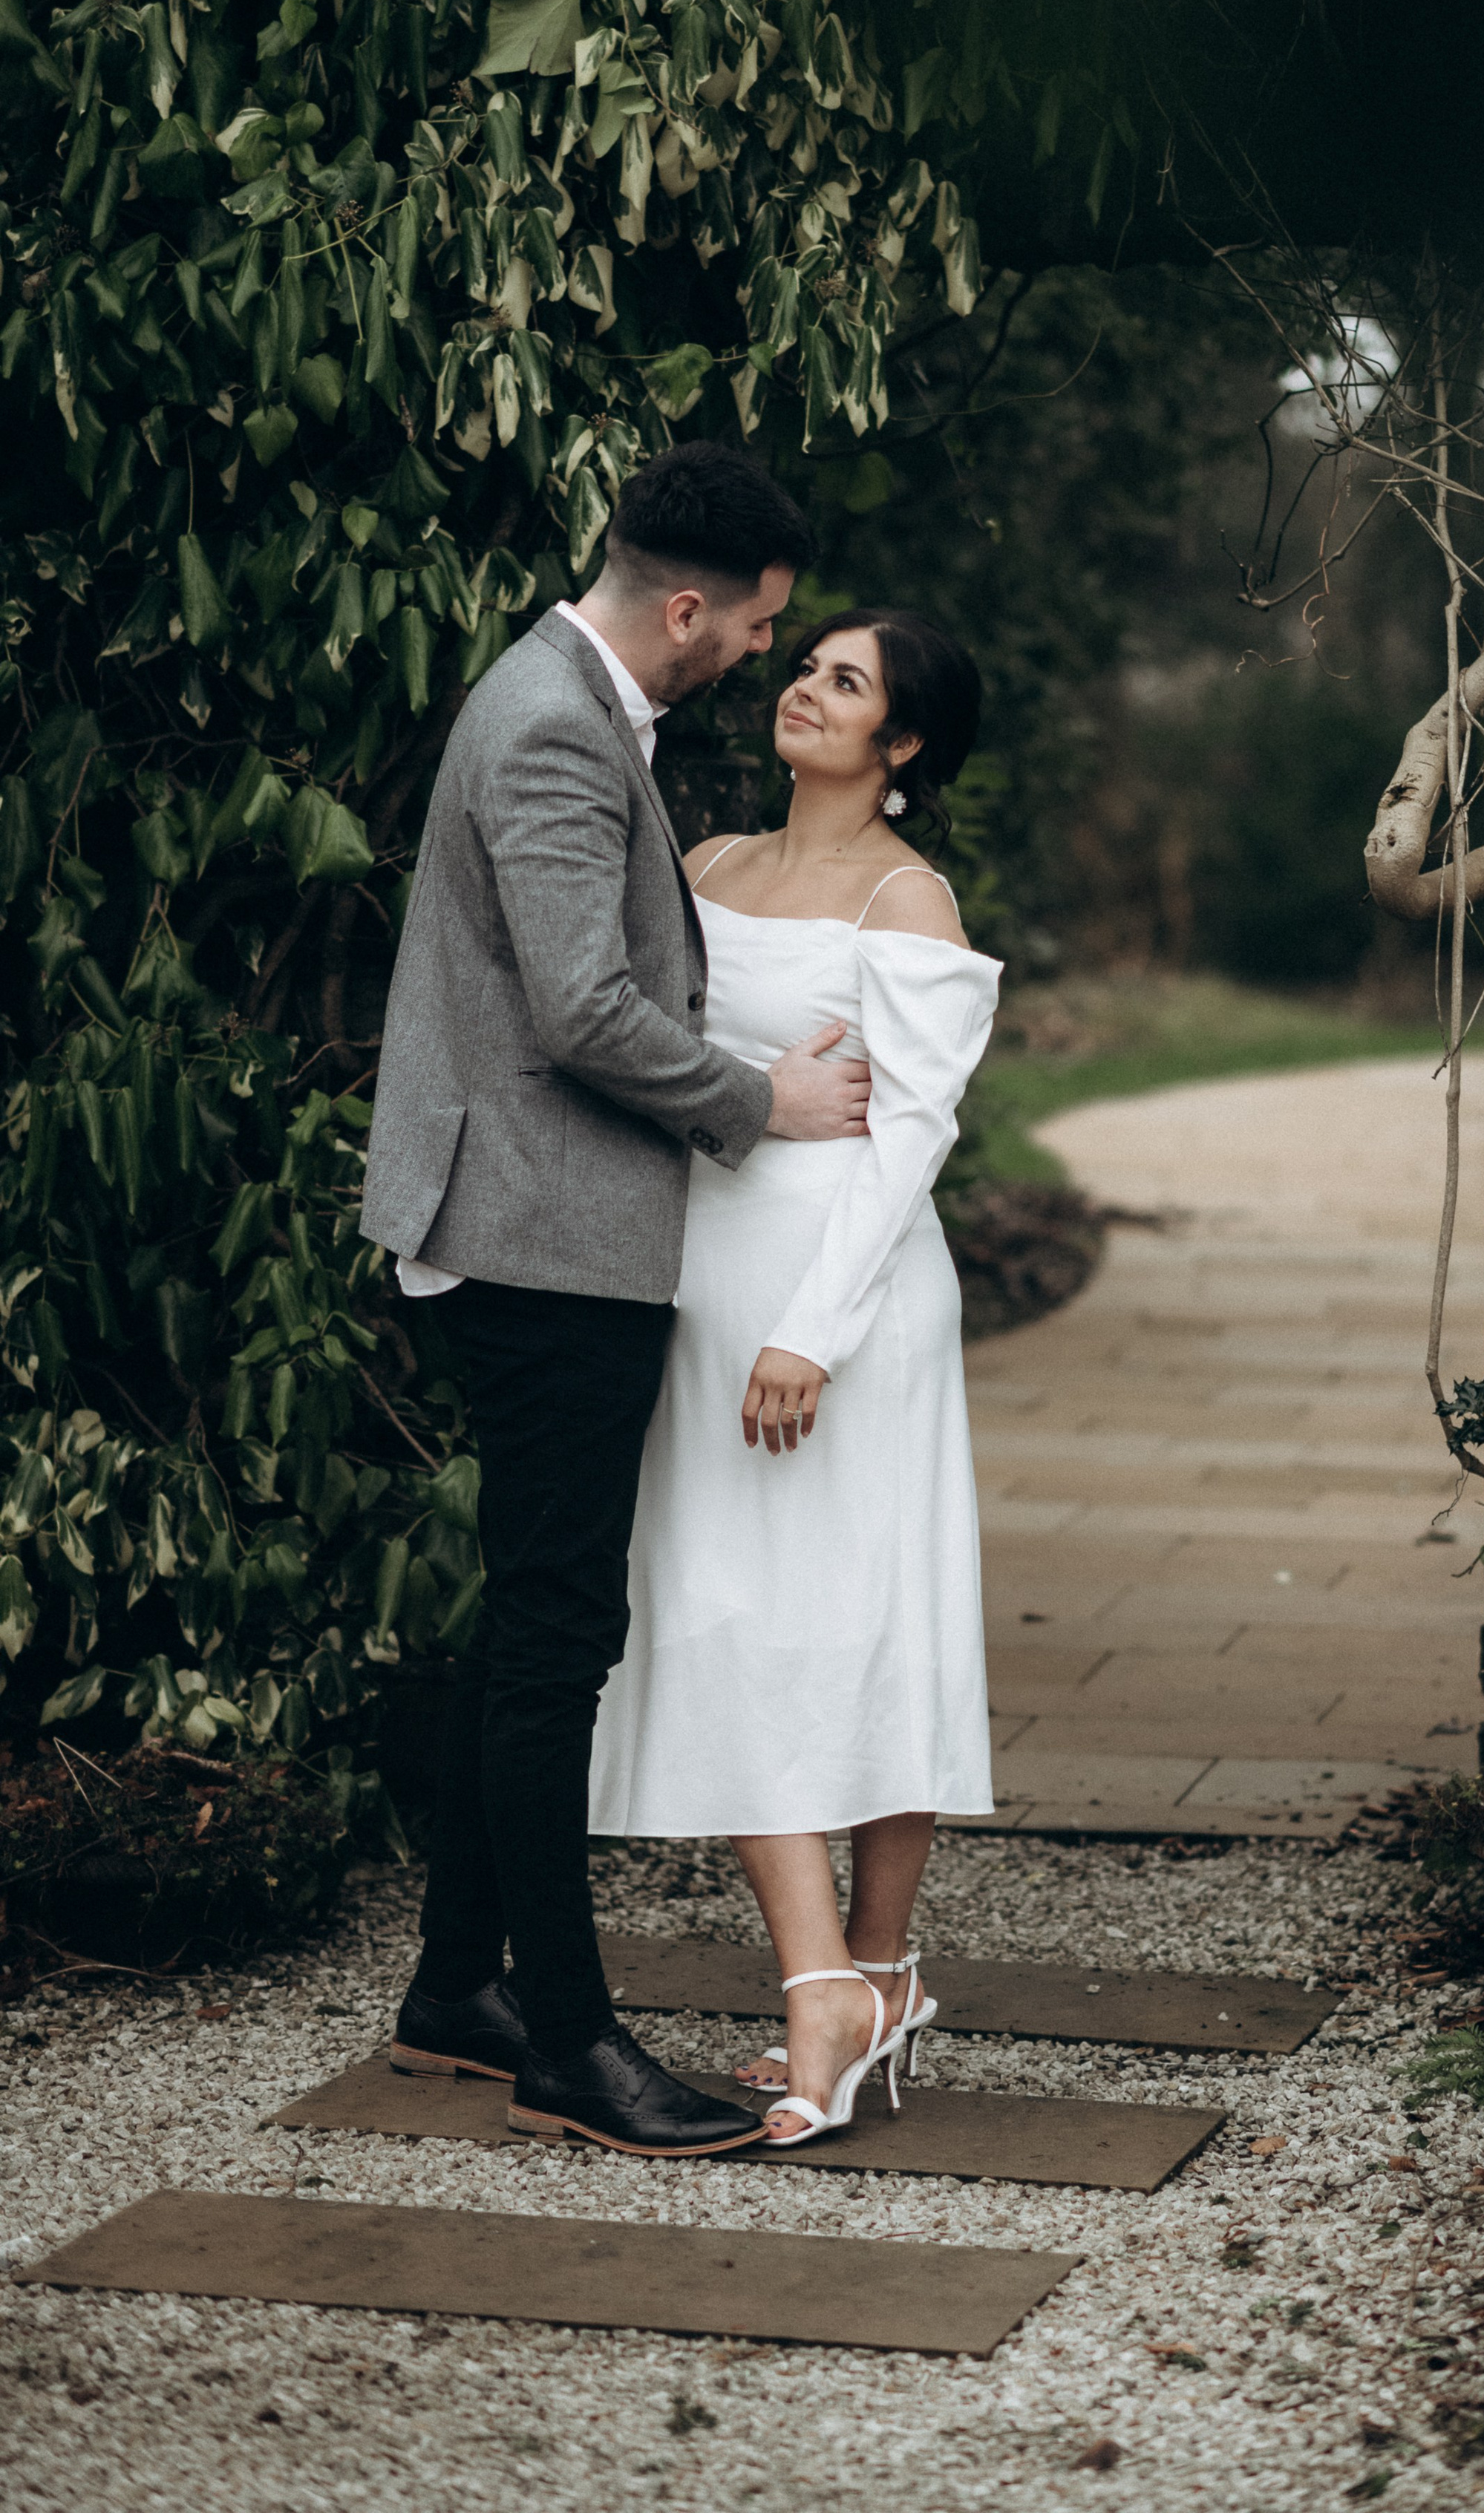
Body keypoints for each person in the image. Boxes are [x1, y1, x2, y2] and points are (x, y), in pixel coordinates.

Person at [359, 442, 875, 2160]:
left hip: (523, 1217)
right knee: (560, 1633)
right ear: (681, 606)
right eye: (755, 627)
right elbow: (582, 1009)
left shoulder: (565, 697)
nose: (757, 653)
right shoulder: (557, 730)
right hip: (537, 1237)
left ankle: (454, 1989)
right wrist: (761, 1104)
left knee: (525, 1608)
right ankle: (567, 2043)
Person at [588, 607, 1001, 2147]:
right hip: (706, 1282)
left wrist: (808, 1333)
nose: (802, 692)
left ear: (899, 747)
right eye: (805, 666)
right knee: (724, 1613)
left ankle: (871, 1974)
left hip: (844, 1300)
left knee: (867, 1618)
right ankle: (826, 1977)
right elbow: (639, 1048)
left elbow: (910, 1139)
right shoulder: (703, 868)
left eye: (845, 683)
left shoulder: (910, 901)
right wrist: (755, 1097)